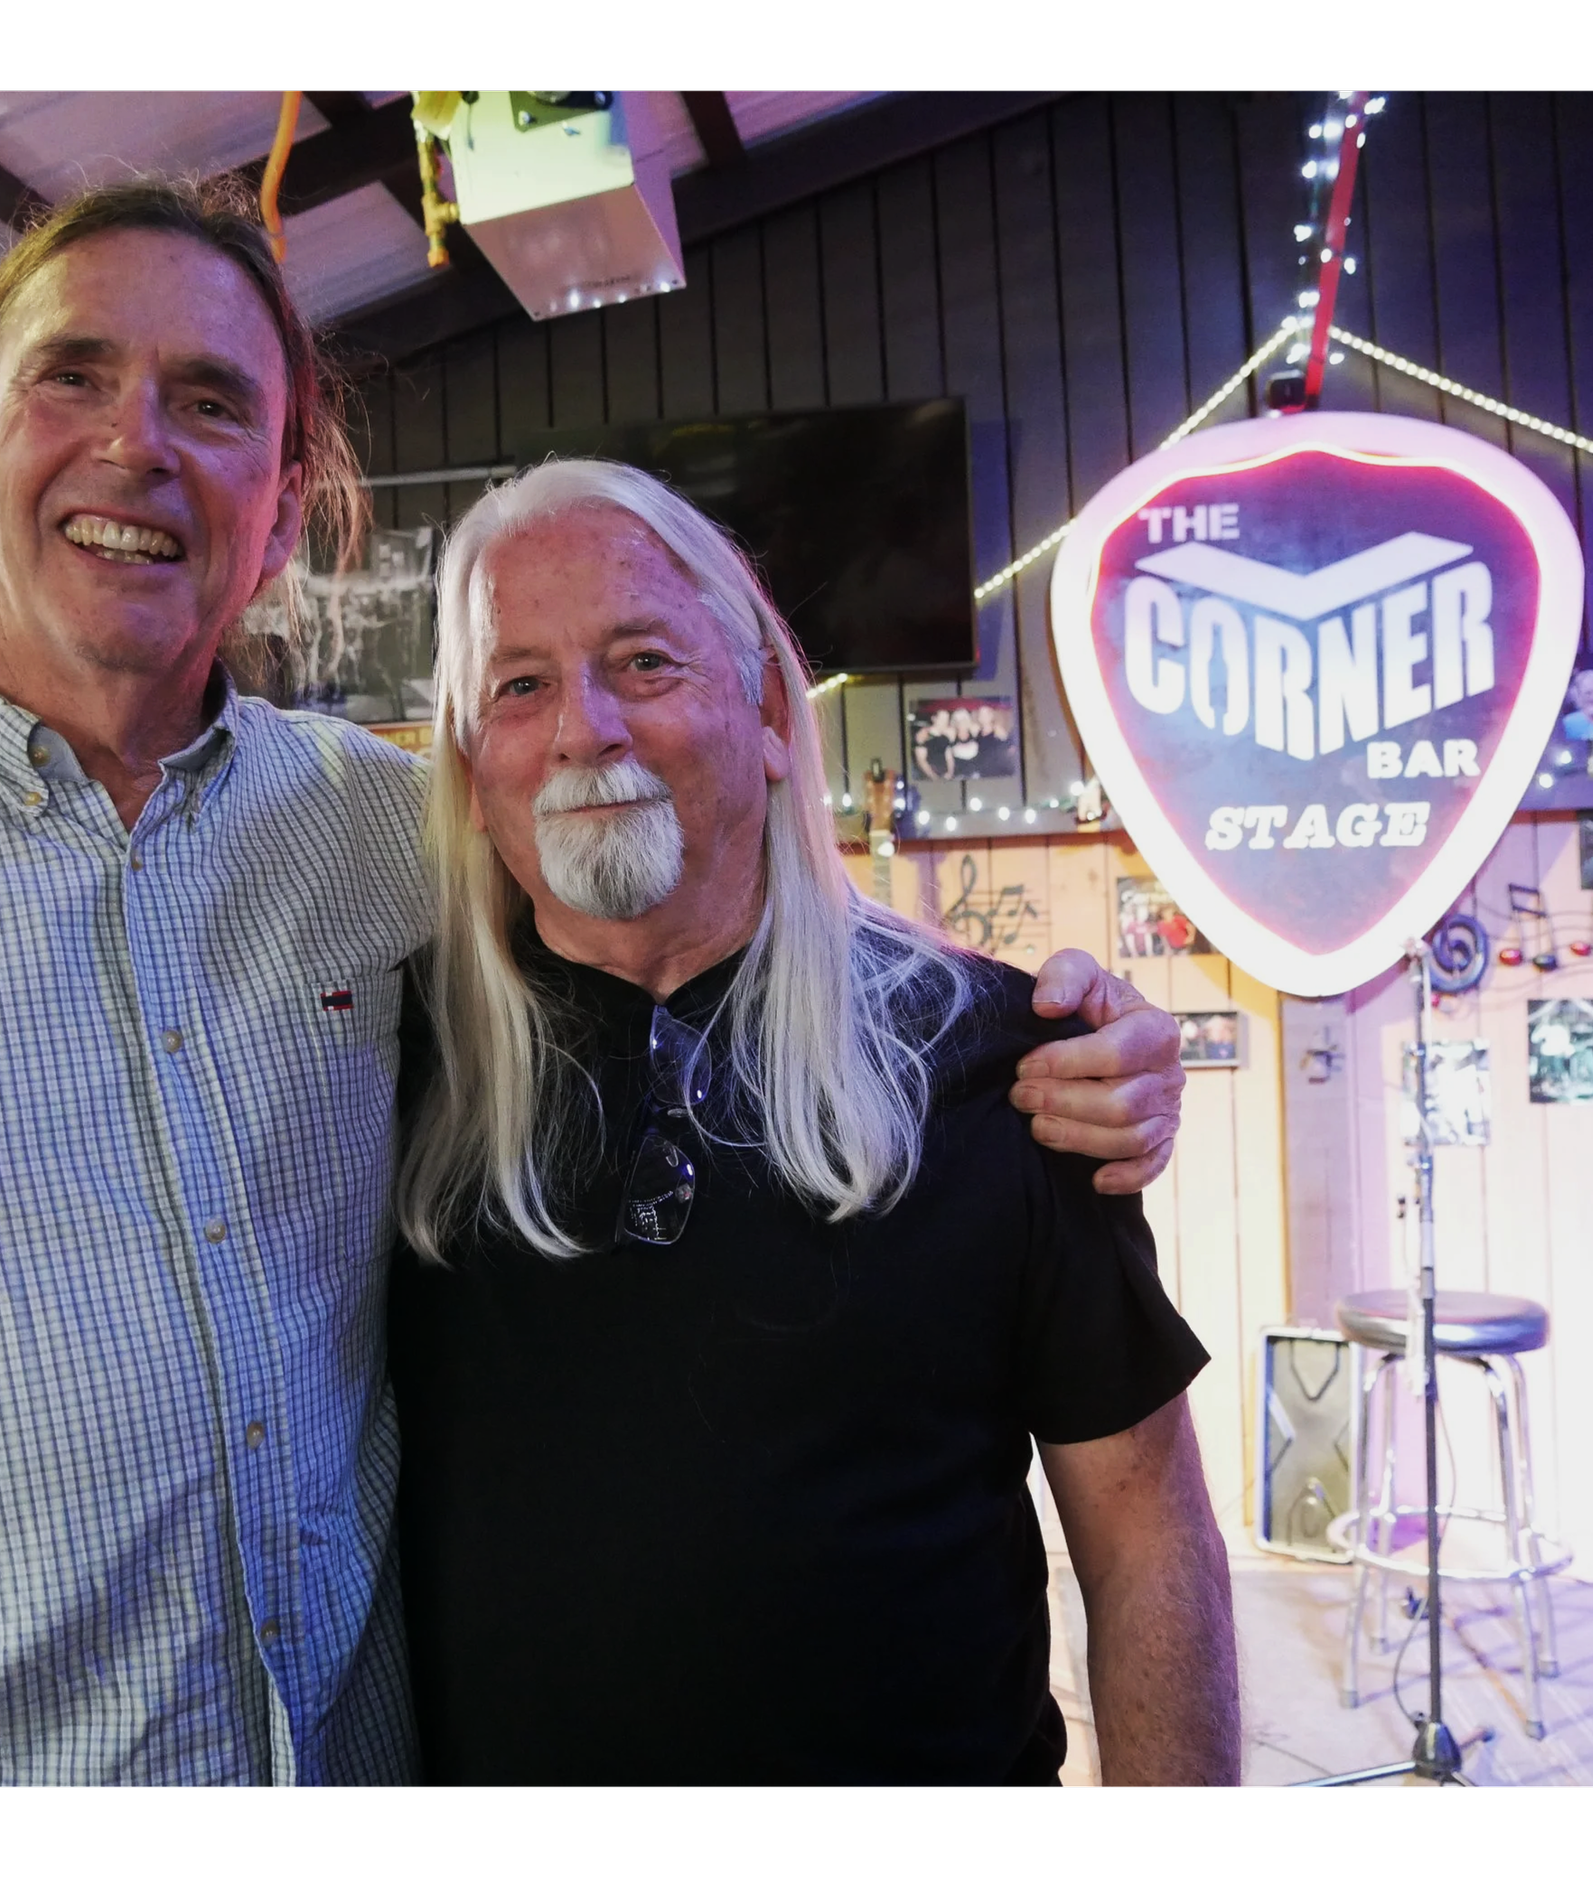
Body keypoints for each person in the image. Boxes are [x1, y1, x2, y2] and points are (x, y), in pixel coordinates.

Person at [0, 176, 1186, 1788]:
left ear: (284, 505)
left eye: (212, 403)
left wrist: (1069, 1027)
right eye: (75, 376)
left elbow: (695, 888)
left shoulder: (394, 835)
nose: (137, 446)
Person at [387, 460, 1236, 1786]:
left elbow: (1144, 1539)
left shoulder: (1010, 1067)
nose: (583, 729)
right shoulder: (390, 1074)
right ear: (467, 762)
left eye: (644, 661)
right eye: (521, 684)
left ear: (771, 709)